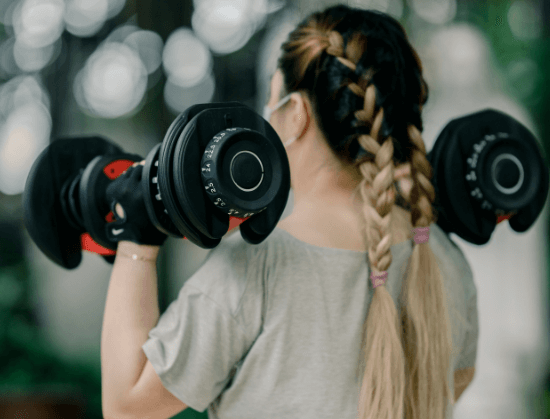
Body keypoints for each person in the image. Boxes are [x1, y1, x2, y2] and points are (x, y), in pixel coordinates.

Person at [99, 5, 478, 419]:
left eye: (272, 96)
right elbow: (455, 382)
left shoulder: (256, 264)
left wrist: (137, 236)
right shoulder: (442, 256)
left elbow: (126, 407)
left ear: (295, 113)